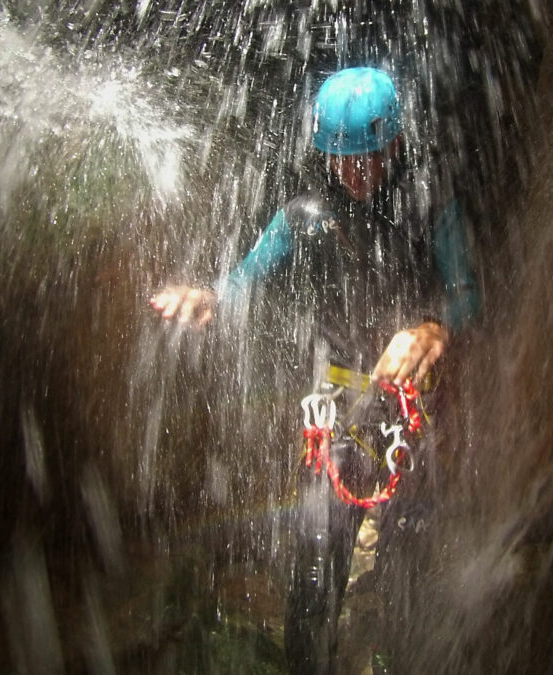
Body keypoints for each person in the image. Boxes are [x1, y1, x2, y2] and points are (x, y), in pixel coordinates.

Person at [151, 66, 479, 673]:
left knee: (409, 556)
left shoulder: (431, 200)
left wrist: (435, 329)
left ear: (395, 145)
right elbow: (247, 276)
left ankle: (400, 654)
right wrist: (209, 298)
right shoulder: (304, 216)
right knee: (315, 551)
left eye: (369, 158)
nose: (355, 174)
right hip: (347, 411)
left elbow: (466, 294)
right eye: (342, 160)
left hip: (415, 411)